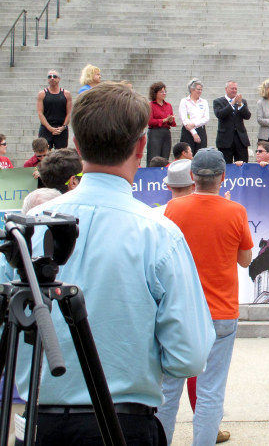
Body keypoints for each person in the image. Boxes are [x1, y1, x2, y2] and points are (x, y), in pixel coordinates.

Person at [0, 82, 214, 445]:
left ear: (77, 145)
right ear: (141, 146)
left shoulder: (27, 231)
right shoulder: (160, 235)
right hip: (124, 423)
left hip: (41, 422)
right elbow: (188, 357)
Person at [157, 148, 253, 446]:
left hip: (181, 309)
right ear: (222, 177)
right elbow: (246, 260)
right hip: (221, 310)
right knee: (211, 389)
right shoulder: (235, 211)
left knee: (168, 389)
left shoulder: (173, 210)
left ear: (192, 176)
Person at [214, 80, 252, 164]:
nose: (234, 90)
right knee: (226, 166)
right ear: (226, 89)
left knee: (243, 165)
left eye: (235, 89)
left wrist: (240, 104)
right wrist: (232, 103)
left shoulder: (242, 101)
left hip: (240, 139)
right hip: (225, 140)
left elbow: (247, 116)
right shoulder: (218, 102)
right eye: (232, 88)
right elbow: (220, 114)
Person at [37, 70, 72, 149]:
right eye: (50, 77)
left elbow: (69, 113)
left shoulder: (66, 94)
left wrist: (63, 127)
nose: (52, 78)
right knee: (44, 153)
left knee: (61, 155)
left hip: (61, 129)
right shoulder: (42, 94)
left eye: (54, 76)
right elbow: (40, 113)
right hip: (46, 128)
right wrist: (50, 128)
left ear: (59, 79)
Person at [146, 81, 176, 165]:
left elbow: (172, 122)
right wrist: (164, 120)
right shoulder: (151, 105)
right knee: (153, 156)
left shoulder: (168, 105)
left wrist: (170, 120)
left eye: (165, 91)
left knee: (165, 157)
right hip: (155, 133)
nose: (164, 93)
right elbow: (150, 122)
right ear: (155, 93)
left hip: (166, 132)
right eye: (161, 92)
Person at [179, 78, 210, 155]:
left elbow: (206, 118)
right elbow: (184, 119)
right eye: (198, 89)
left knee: (201, 155)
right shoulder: (184, 101)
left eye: (201, 90)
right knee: (187, 155)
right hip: (188, 131)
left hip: (201, 130)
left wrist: (194, 124)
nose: (200, 91)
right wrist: (194, 132)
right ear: (191, 89)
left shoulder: (204, 102)